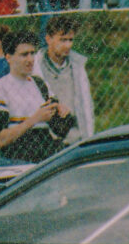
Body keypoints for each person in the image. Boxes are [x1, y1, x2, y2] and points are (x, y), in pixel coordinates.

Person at [0, 30, 76, 163]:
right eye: (24, 55)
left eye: (32, 53)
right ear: (8, 57)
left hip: (46, 159)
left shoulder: (39, 84)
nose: (30, 59)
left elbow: (60, 130)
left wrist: (64, 114)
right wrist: (34, 119)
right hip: (16, 161)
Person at [32, 16, 94, 147]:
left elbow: (86, 106)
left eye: (70, 40)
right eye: (62, 40)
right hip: (45, 140)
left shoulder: (78, 66)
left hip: (75, 139)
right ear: (48, 39)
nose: (68, 45)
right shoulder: (35, 66)